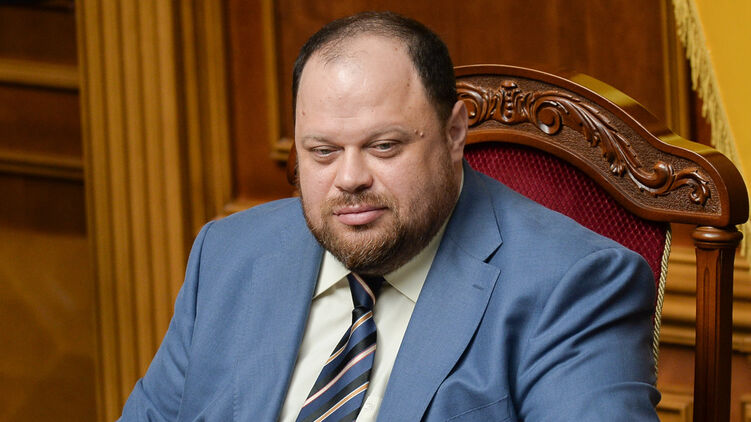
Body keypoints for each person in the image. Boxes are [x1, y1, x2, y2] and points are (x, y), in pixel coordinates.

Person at [119, 11, 660, 421]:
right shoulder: (228, 254)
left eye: (383, 146)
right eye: (323, 152)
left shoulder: (573, 285)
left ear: (454, 134)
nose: (350, 178)